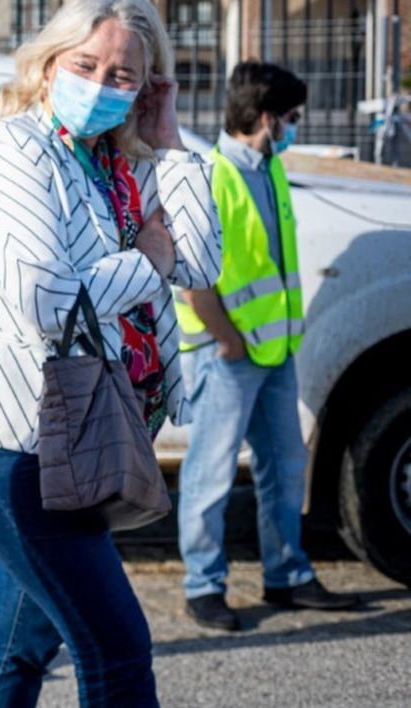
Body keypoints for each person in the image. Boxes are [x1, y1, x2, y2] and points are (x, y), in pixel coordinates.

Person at [0, 0, 222, 705]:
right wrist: (146, 265)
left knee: (16, 650)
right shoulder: (14, 151)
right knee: (118, 649)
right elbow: (46, 301)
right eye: (86, 65)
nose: (100, 84)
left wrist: (170, 143)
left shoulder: (118, 164)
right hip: (10, 444)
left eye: (122, 75)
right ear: (48, 64)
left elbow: (200, 262)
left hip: (77, 441)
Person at [175, 61, 360, 632]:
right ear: (265, 119)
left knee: (284, 465)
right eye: (292, 119)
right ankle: (203, 587)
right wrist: (227, 338)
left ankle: (287, 575)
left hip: (272, 352)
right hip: (226, 353)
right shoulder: (213, 176)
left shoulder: (269, 168)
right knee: (209, 473)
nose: (295, 128)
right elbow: (193, 275)